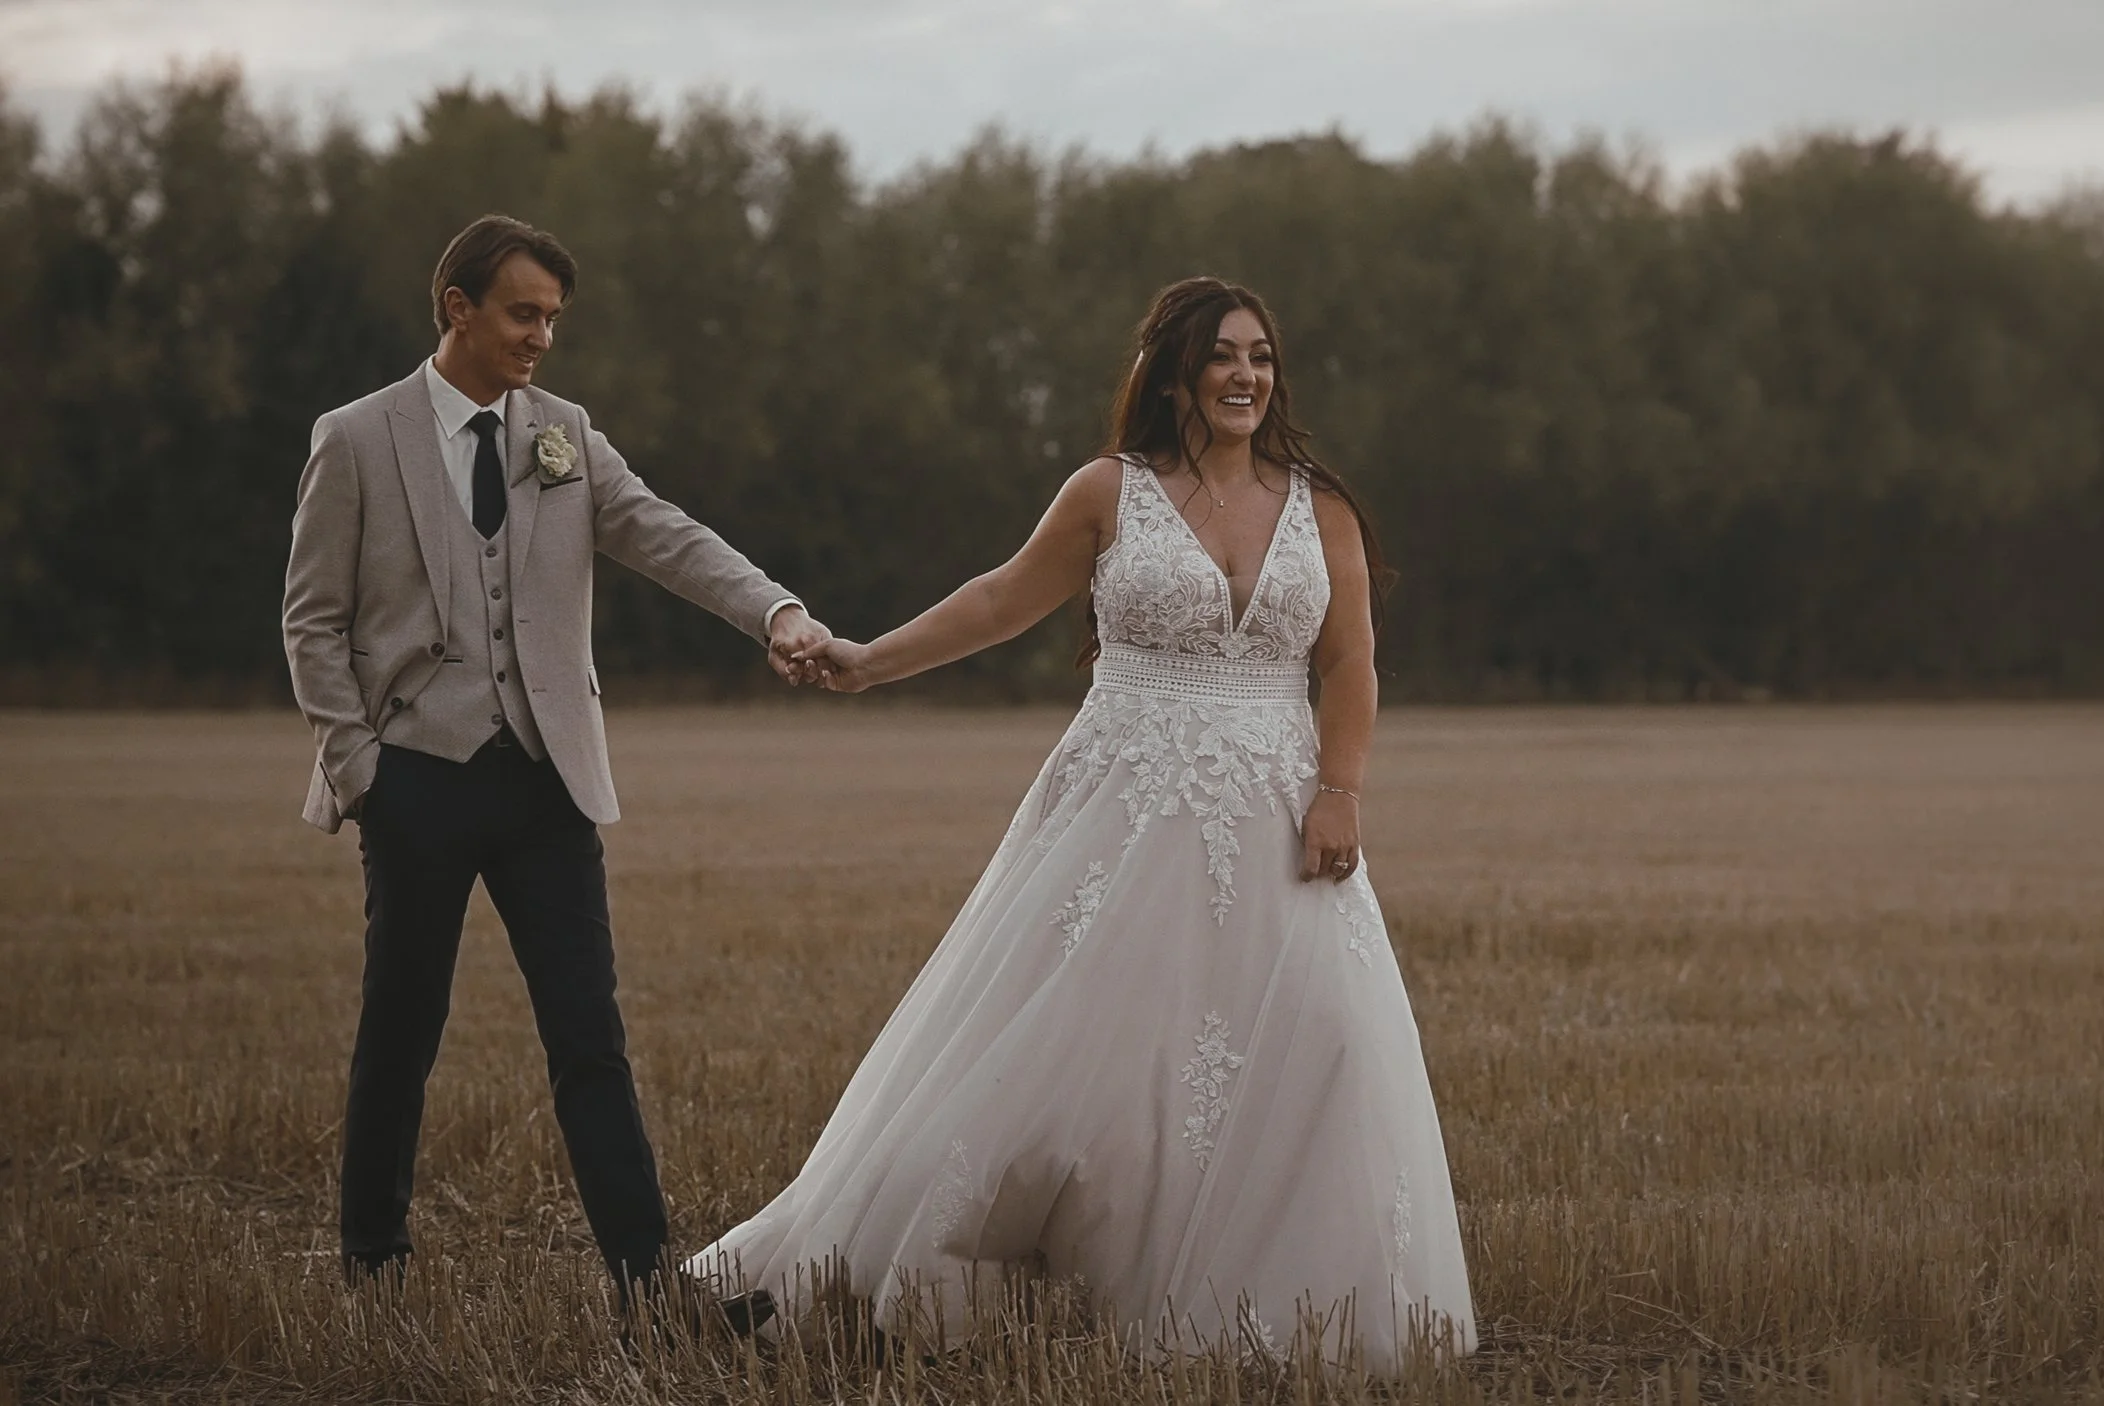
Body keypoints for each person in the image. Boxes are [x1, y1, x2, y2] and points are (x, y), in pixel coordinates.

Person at [690, 276, 1477, 1372]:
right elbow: (1001, 597)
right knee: (1075, 1057)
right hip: (1123, 798)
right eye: (1222, 355)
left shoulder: (1321, 505)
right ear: (1174, 373)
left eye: (1261, 355)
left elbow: (1348, 659)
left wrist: (1339, 787)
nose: (1246, 374)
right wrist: (868, 661)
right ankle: (905, 1260)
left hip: (1279, 807)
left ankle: (1268, 1313)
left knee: (1318, 1046)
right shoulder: (1109, 490)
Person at [280, 214, 833, 1310]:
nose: (541, 336)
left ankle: (643, 1278)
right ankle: (373, 1259)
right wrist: (361, 771)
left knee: (590, 1032)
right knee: (403, 1024)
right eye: (523, 312)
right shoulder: (355, 437)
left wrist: (773, 608)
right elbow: (311, 620)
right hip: (416, 777)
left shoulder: (566, 432)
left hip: (546, 781)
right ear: (459, 308)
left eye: (552, 319)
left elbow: (662, 532)